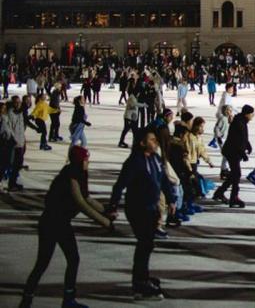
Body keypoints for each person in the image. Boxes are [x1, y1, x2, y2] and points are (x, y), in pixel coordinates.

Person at [19, 146, 114, 308]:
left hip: (62, 222)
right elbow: (81, 203)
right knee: (43, 262)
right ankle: (28, 299)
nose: (88, 162)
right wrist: (105, 222)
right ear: (79, 161)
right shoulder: (70, 176)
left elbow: (87, 198)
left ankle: (68, 299)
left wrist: (106, 210)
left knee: (72, 259)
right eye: (86, 159)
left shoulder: (80, 173)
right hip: (51, 223)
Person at [108, 129, 177, 300]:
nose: (156, 142)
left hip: (152, 209)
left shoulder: (155, 159)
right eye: (152, 140)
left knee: (146, 245)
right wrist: (113, 206)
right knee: (145, 244)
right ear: (142, 143)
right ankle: (140, 282)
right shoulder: (134, 162)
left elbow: (163, 181)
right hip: (137, 209)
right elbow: (120, 185)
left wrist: (171, 199)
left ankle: (142, 279)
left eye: (155, 140)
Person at [213, 104, 254, 208]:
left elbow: (243, 137)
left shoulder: (241, 121)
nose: (252, 116)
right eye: (251, 114)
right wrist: (243, 154)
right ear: (247, 114)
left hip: (234, 151)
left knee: (233, 175)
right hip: (232, 152)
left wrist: (248, 146)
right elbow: (236, 140)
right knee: (237, 174)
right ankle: (234, 197)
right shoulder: (239, 122)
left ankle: (220, 192)